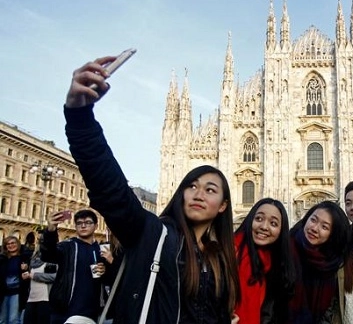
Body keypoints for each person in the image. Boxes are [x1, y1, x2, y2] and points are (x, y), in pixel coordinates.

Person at [62, 55, 240, 323]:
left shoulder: (219, 258)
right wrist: (80, 118)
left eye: (210, 189)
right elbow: (112, 190)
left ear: (224, 205)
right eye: (191, 185)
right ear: (180, 193)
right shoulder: (153, 235)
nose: (199, 193)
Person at [234, 198, 295, 324]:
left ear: (281, 231)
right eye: (259, 219)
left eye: (273, 223)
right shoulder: (230, 253)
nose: (264, 227)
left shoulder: (276, 264)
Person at [287, 201, 350, 323]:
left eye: (324, 227)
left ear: (333, 234)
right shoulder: (285, 249)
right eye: (313, 220)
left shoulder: (334, 265)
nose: (314, 228)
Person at [40, 209, 106, 324]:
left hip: (91, 313)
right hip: (65, 310)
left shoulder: (101, 250)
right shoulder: (68, 246)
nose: (83, 226)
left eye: (88, 223)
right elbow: (48, 255)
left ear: (96, 226)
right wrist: (51, 230)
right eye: (79, 223)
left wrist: (106, 270)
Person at [22, 243, 57, 324]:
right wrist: (25, 273)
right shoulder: (33, 260)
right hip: (31, 298)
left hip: (45, 299)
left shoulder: (53, 260)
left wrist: (35, 276)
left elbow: (55, 277)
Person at [0, 236, 31, 324]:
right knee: (2, 319)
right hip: (3, 292)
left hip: (17, 292)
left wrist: (26, 268)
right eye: (8, 244)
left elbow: (28, 274)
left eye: (13, 243)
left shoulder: (25, 258)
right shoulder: (2, 259)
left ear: (18, 243)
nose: (11, 245)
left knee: (14, 319)